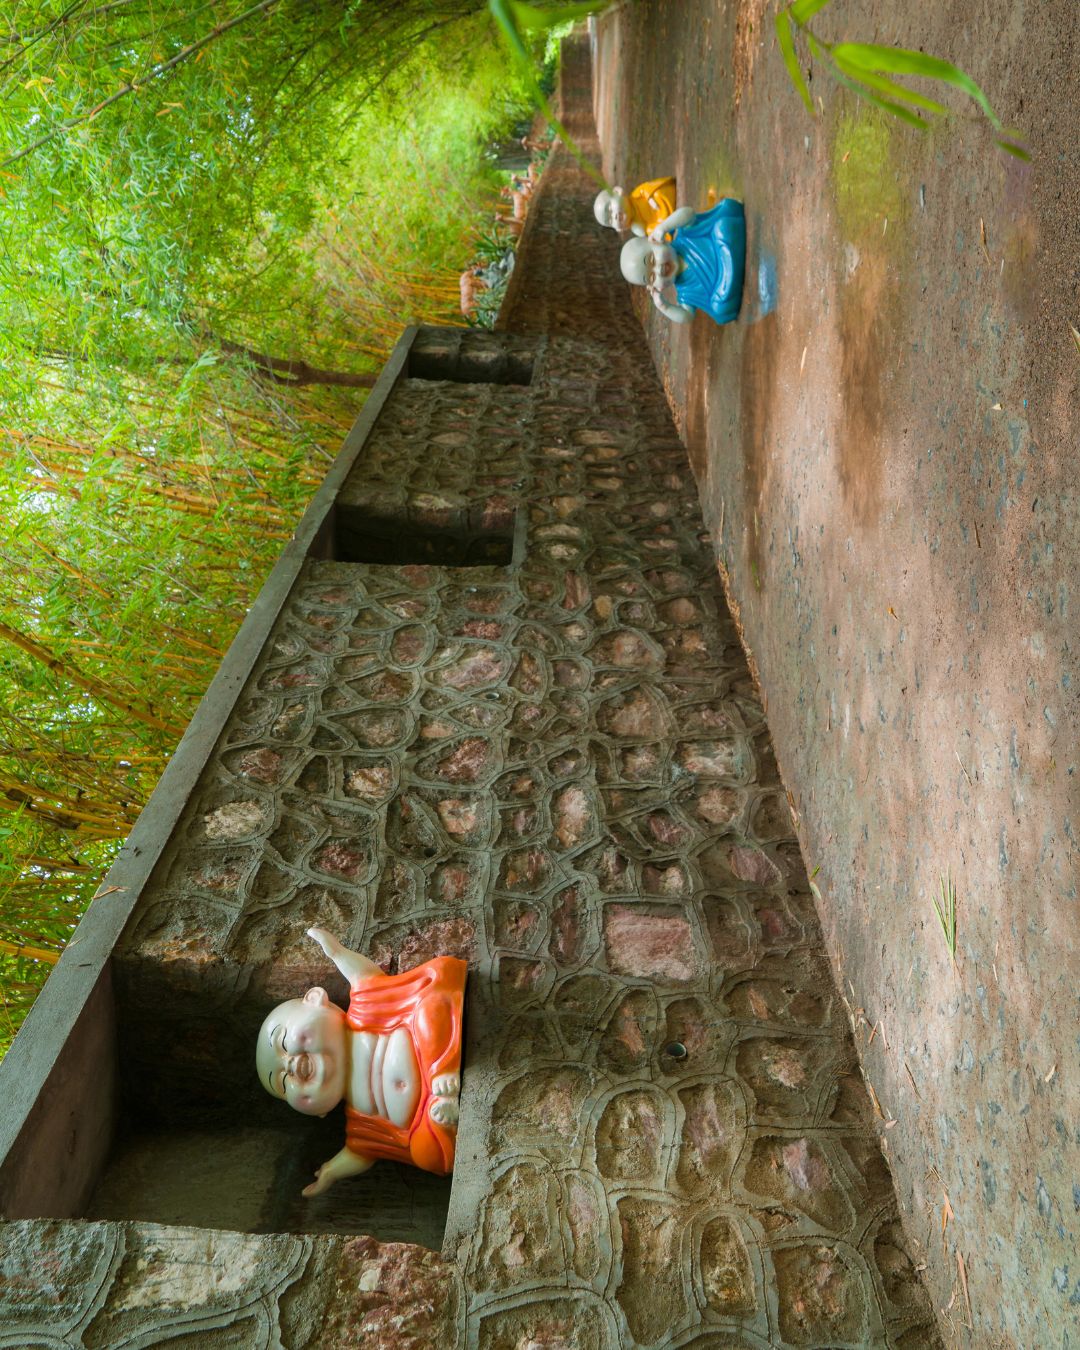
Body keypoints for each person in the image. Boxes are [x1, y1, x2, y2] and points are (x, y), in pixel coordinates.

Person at [256, 927, 466, 1196]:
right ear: (319, 1112)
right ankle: (443, 1111)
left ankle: (443, 1075)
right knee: (426, 1154)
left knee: (430, 1011)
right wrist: (331, 1171)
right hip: (423, 1117)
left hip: (430, 1049)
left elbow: (363, 976)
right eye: (283, 1082)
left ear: (316, 999)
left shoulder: (363, 1012)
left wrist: (337, 952)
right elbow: (358, 1154)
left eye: (283, 1043)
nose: (289, 1065)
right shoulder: (360, 1123)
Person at [619, 198, 746, 326]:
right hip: (723, 280)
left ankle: (733, 266)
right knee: (719, 307)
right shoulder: (685, 291)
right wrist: (664, 307)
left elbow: (689, 213)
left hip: (718, 240)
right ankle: (733, 262)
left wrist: (663, 227)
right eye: (652, 277)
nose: (659, 269)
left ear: (654, 240)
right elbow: (687, 316)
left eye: (652, 260)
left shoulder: (685, 235)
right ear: (655, 287)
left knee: (722, 227)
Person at [593, 177, 677, 236]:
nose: (614, 216)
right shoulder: (635, 225)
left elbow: (646, 189)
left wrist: (649, 198)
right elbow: (645, 231)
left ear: (618, 192)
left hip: (658, 201)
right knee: (653, 231)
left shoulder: (635, 195)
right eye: (610, 221)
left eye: (610, 209)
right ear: (618, 229)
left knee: (657, 193)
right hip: (658, 220)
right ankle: (670, 223)